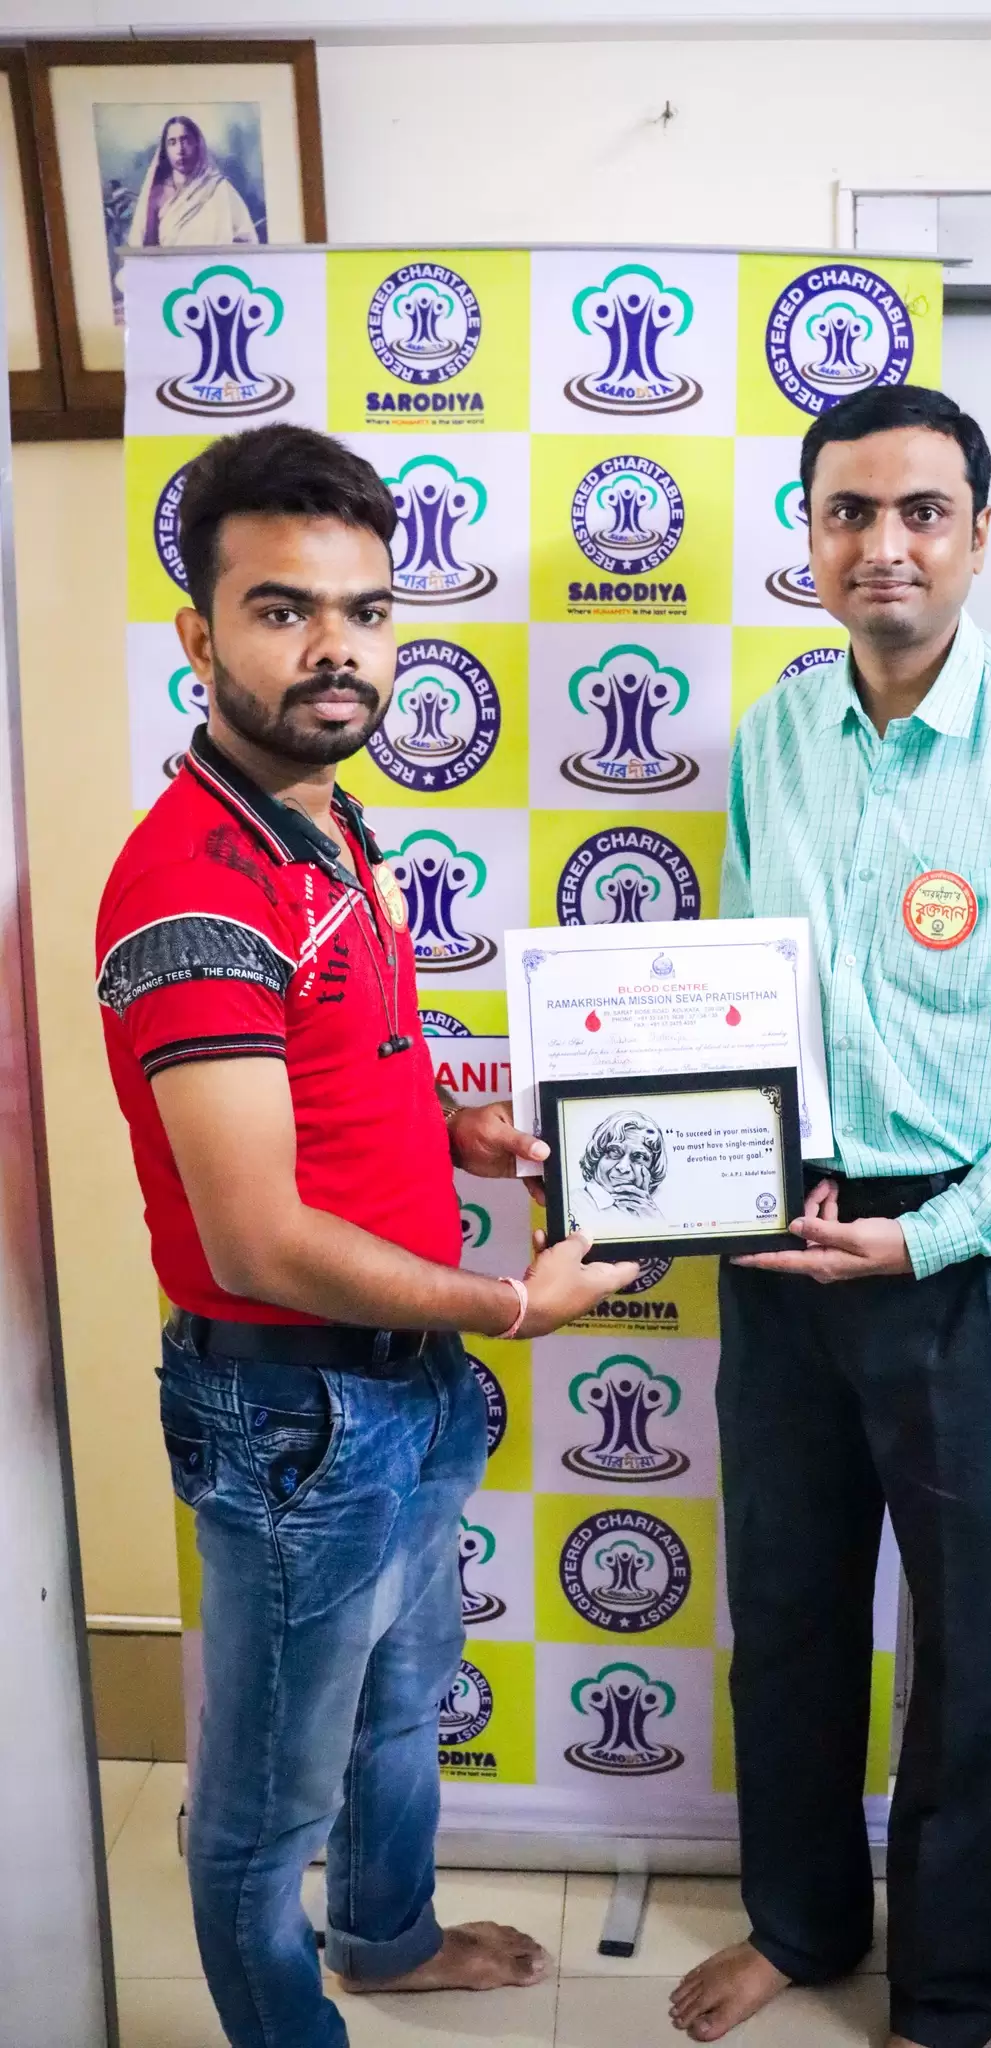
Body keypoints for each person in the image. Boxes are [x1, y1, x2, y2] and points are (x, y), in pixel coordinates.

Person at [96, 423, 638, 2048]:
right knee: (265, 1808)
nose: (335, 646)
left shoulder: (326, 822)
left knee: (403, 1707)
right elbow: (256, 1238)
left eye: (366, 609)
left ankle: (386, 1940)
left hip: (405, 1388)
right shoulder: (192, 888)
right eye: (282, 609)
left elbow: (324, 1078)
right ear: (199, 636)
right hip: (296, 1415)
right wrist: (510, 1306)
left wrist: (447, 1130)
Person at [670, 385, 991, 2048]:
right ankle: (803, 1922)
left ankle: (947, 1994)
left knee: (974, 1652)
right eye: (848, 511)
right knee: (789, 1618)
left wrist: (941, 1229)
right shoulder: (774, 737)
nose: (882, 543)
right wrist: (684, 1146)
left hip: (971, 1259)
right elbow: (749, 1002)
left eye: (921, 511)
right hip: (787, 1241)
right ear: (808, 535)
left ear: (977, 534)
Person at [128, 114, 259, 250]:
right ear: (165, 150)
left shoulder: (219, 189)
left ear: (197, 144)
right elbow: (145, 248)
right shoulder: (156, 195)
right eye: (172, 142)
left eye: (186, 140)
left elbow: (247, 240)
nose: (180, 150)